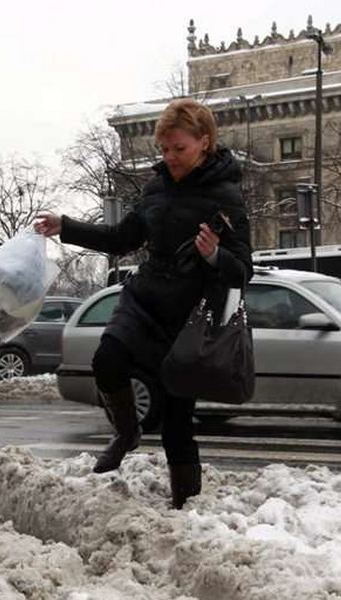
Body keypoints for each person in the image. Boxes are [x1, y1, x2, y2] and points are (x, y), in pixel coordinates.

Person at [34, 98, 252, 509]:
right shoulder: (156, 187)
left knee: (175, 423)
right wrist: (68, 226)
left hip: (185, 318)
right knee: (107, 361)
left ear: (204, 143)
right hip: (145, 299)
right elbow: (122, 239)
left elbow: (243, 270)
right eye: (164, 149)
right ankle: (127, 432)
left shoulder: (226, 197)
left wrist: (214, 256)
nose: (169, 157)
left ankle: (186, 507)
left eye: (179, 149)